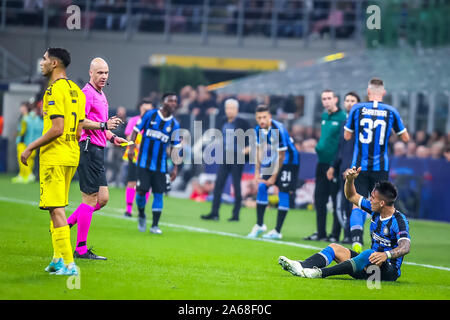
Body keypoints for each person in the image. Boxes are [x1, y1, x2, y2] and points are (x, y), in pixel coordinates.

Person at [278, 166, 411, 281]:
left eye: (372, 198)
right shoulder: (374, 208)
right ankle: (301, 266)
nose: (369, 199)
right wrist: (350, 180)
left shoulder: (399, 221)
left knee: (368, 253)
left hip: (388, 272)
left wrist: (385, 255)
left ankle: (320, 273)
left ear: (382, 203)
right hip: (368, 265)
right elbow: (351, 196)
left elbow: (405, 247)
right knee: (335, 248)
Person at [20, 47, 85, 275]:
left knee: (56, 209)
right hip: (71, 155)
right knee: (54, 208)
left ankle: (69, 265)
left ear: (55, 63)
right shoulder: (77, 90)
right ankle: (57, 259)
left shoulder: (53, 91)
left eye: (45, 59)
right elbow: (78, 129)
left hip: (54, 156)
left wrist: (30, 147)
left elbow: (57, 129)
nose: (42, 63)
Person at [67, 57, 127, 260]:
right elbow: (80, 122)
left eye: (106, 72)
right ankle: (81, 249)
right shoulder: (86, 93)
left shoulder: (101, 94)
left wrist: (112, 137)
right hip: (88, 149)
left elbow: (102, 125)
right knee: (90, 198)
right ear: (90, 73)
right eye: (100, 72)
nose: (103, 76)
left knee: (102, 199)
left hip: (98, 149)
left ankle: (64, 225)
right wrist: (103, 126)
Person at [344, 78, 409, 253]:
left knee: (356, 201)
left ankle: (356, 240)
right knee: (380, 204)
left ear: (368, 91)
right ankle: (381, 241)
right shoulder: (391, 111)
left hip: (359, 166)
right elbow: (405, 138)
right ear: (384, 93)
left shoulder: (357, 109)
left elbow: (347, 136)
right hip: (381, 165)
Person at [128, 92, 181, 234]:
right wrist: (131, 147)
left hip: (161, 166)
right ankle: (141, 215)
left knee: (159, 193)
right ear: (164, 102)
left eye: (175, 101)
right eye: (171, 100)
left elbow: (176, 147)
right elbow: (135, 130)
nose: (173, 104)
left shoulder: (175, 124)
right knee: (141, 191)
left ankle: (155, 225)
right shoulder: (150, 115)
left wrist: (175, 168)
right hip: (143, 162)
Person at [247, 104, 300, 240]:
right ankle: (259, 225)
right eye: (259, 118)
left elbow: (282, 156)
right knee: (262, 186)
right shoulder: (258, 129)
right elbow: (259, 150)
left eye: (264, 117)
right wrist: (257, 172)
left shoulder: (278, 129)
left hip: (289, 161)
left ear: (269, 116)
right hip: (275, 159)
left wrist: (273, 177)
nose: (262, 120)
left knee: (283, 192)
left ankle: (277, 230)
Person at [304, 90, 347, 242]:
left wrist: (333, 165)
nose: (326, 101)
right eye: (324, 99)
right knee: (319, 199)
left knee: (336, 201)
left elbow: (341, 144)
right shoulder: (324, 116)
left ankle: (335, 234)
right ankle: (321, 232)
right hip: (321, 163)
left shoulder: (343, 117)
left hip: (333, 165)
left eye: (329, 98)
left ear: (335, 99)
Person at [201, 98, 251, 222]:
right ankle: (214, 213)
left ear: (237, 110)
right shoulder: (223, 121)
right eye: (227, 108)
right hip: (226, 156)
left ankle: (236, 214)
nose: (229, 111)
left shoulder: (242, 123)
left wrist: (245, 150)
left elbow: (253, 139)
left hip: (237, 157)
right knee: (218, 184)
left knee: (236, 185)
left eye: (232, 108)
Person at [326, 92, 360, 244]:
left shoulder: (361, 125)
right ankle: (347, 235)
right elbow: (340, 148)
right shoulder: (344, 124)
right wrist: (333, 166)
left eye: (353, 100)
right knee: (342, 204)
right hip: (342, 170)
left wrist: (353, 168)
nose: (349, 103)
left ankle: (353, 235)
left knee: (353, 203)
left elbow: (359, 149)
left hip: (354, 170)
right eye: (347, 100)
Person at [122, 98, 154, 217]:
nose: (146, 109)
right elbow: (128, 136)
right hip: (134, 156)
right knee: (132, 182)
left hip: (148, 157)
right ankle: (128, 210)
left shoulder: (153, 123)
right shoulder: (134, 120)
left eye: (149, 108)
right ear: (140, 107)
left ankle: (141, 209)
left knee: (147, 184)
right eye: (144, 107)